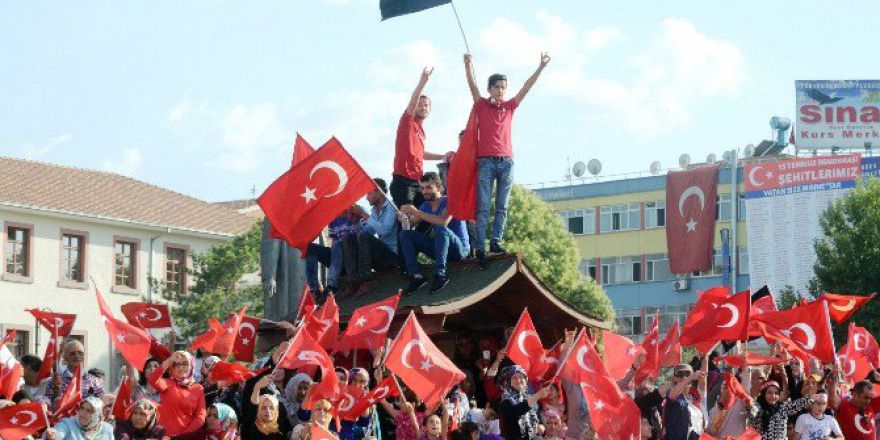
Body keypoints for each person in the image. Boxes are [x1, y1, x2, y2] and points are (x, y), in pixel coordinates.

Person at [463, 51, 550, 268]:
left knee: (502, 206)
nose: (501, 90)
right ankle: (480, 247)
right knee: (483, 206)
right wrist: (468, 65)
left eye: (503, 87)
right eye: (497, 87)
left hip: (506, 161)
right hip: (486, 161)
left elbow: (526, 88)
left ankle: (495, 241)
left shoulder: (509, 107)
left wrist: (540, 67)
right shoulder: (482, 105)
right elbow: (473, 88)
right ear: (490, 89)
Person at [399, 172, 470, 294]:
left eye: (428, 187)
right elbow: (409, 226)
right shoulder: (424, 206)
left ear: (438, 187)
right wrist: (403, 217)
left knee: (440, 228)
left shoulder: (450, 201)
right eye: (422, 188)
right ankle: (416, 276)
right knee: (405, 234)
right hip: (441, 250)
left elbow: (443, 222)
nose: (425, 191)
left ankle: (440, 274)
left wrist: (416, 212)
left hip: (459, 251)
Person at [391, 66, 448, 209]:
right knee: (408, 219)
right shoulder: (408, 122)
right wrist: (423, 82)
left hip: (418, 182)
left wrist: (443, 156)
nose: (423, 107)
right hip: (404, 180)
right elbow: (412, 103)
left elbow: (420, 154)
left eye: (426, 105)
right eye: (420, 104)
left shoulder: (422, 131)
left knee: (429, 214)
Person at [344, 178, 398, 296]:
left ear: (378, 192)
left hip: (392, 258)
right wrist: (357, 221)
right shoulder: (374, 210)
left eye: (368, 193)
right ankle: (353, 281)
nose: (366, 197)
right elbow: (367, 232)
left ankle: (366, 280)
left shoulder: (392, 206)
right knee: (348, 238)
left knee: (364, 236)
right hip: (379, 256)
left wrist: (364, 214)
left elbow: (384, 231)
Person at [148, 351, 206, 436]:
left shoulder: (198, 388)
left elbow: (200, 416)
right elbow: (152, 379)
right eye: (176, 364)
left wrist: (184, 435)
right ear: (172, 367)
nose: (181, 367)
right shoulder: (167, 383)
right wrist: (169, 360)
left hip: (186, 437)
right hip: (165, 436)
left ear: (191, 366)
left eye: (185, 364)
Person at [306, 211, 361, 300]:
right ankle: (314, 289)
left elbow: (363, 238)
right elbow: (334, 241)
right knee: (309, 247)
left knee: (339, 244)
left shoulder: (357, 213)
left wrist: (357, 222)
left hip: (353, 259)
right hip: (338, 257)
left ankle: (332, 285)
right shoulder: (333, 220)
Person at [43, 340, 105, 408]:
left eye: (80, 353)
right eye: (72, 354)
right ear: (65, 357)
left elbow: (102, 402)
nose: (77, 356)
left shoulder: (94, 381)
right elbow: (48, 406)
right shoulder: (54, 381)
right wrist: (56, 392)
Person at [497, 365, 552, 440]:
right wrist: (537, 396)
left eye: (521, 377)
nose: (518, 380)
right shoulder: (506, 398)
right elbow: (516, 411)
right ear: (509, 381)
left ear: (526, 380)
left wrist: (541, 427)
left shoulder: (529, 397)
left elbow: (537, 419)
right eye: (514, 378)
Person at [45, 396, 114, 440]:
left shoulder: (107, 429)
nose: (83, 413)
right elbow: (57, 434)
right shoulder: (67, 424)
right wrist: (52, 437)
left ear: (97, 415)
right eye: (82, 408)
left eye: (89, 411)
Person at [173, 402, 239, 440]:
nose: (210, 419)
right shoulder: (200, 435)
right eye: (209, 415)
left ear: (227, 420)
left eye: (216, 416)